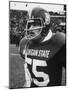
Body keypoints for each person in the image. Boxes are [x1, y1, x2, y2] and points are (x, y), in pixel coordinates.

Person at [19, 7, 66, 87]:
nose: (30, 28)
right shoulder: (25, 43)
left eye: (35, 24)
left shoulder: (59, 43)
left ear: (46, 24)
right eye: (29, 24)